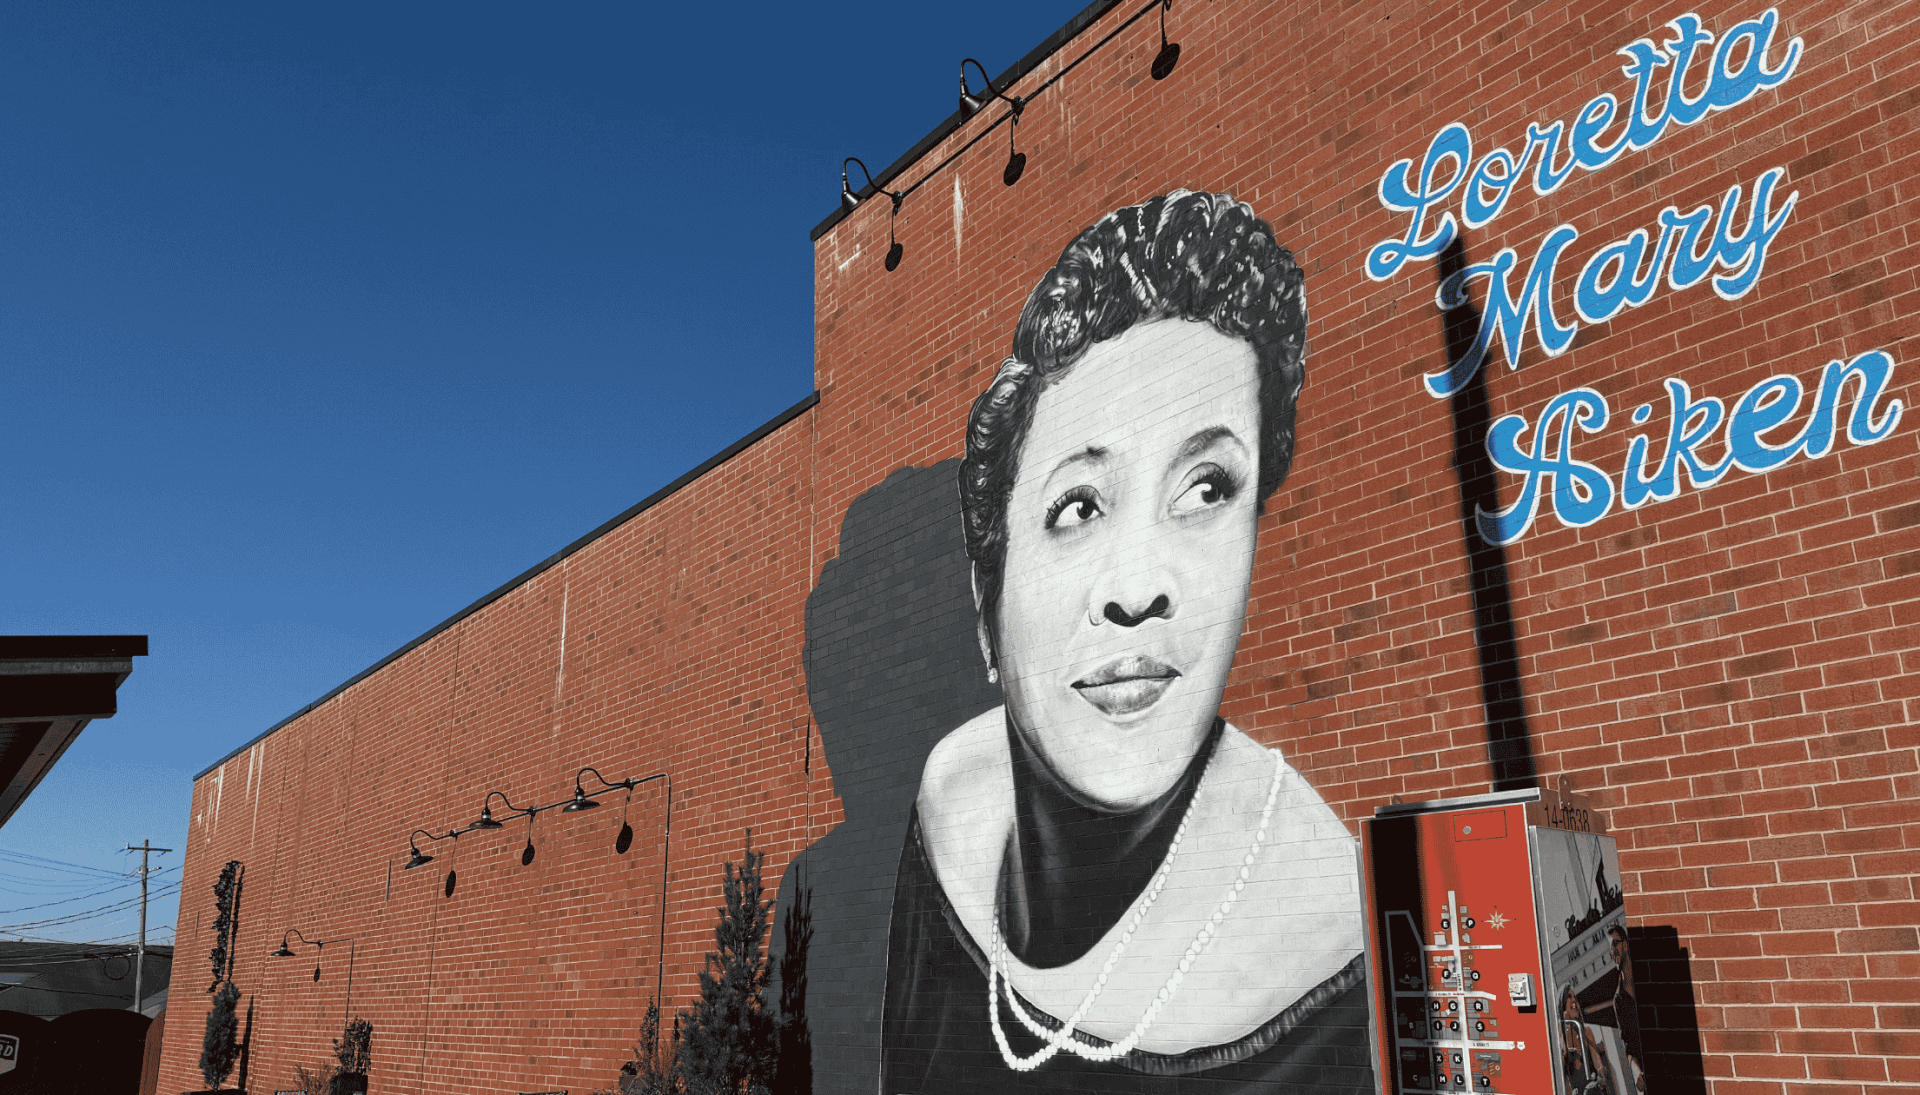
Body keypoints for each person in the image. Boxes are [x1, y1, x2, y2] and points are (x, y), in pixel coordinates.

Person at [880, 191, 1370, 1094]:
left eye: (1207, 488)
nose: (1141, 587)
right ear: (988, 601)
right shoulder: (952, 817)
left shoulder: (1329, 962)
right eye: (1078, 506)